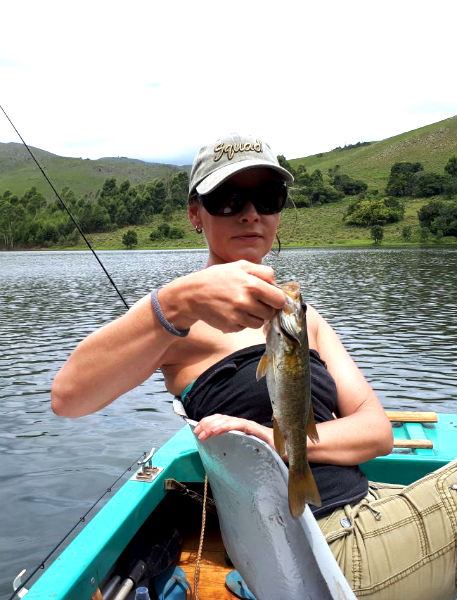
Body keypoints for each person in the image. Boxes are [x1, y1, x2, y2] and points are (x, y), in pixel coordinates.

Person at [52, 133, 457, 600]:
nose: (250, 214)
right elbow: (68, 398)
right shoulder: (178, 321)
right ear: (195, 214)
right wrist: (178, 301)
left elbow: (377, 432)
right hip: (327, 551)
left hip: (366, 509)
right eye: (228, 199)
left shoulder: (302, 317)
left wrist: (276, 442)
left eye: (267, 198)